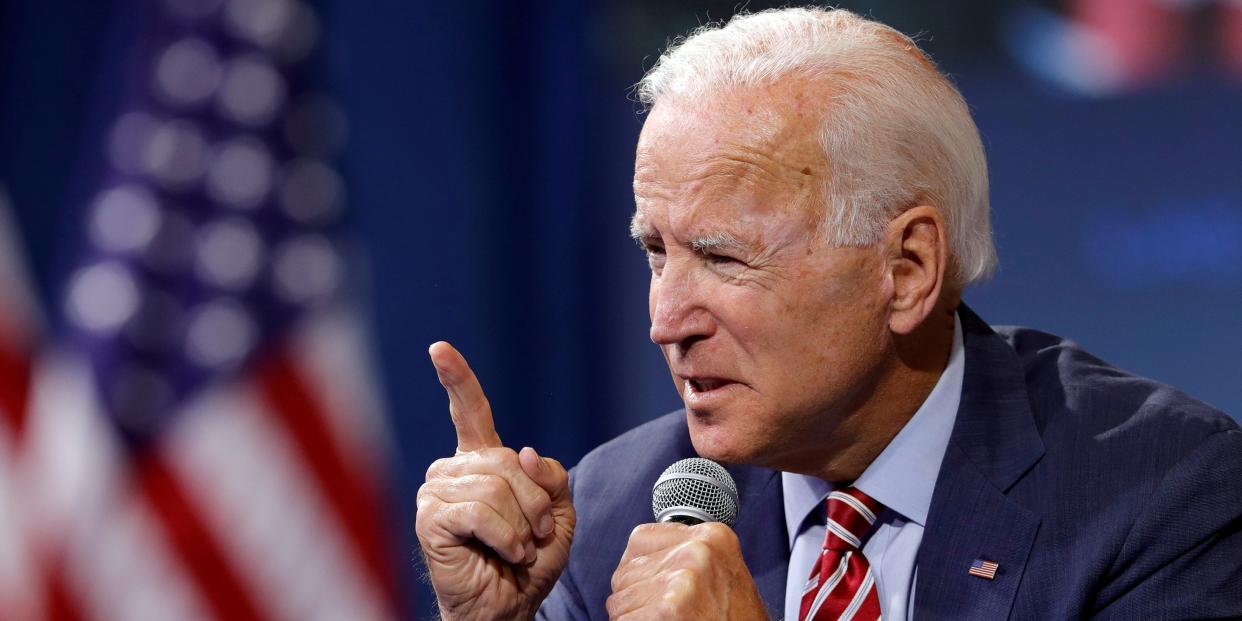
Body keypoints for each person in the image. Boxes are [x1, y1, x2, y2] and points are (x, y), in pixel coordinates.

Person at [415, 7, 1242, 620]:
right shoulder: (616, 507)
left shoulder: (1160, 494)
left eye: (723, 256)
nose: (666, 320)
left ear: (908, 268)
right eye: (656, 253)